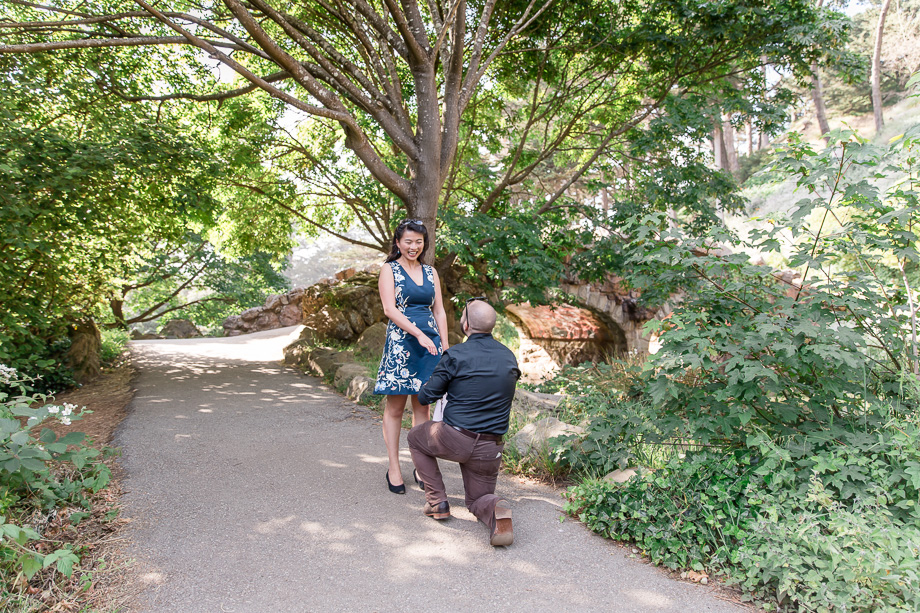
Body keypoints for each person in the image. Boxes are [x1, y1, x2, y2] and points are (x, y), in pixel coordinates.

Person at [407, 299, 521, 546]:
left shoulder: (456, 354)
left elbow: (426, 397)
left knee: (415, 437)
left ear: (466, 324)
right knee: (477, 500)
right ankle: (495, 508)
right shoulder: (509, 357)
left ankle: (437, 501)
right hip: (491, 446)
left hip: (454, 438)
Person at [374, 219, 449, 494]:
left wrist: (445, 347)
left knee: (423, 408)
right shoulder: (389, 269)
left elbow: (439, 310)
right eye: (408, 241)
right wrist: (418, 334)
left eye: (419, 242)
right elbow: (389, 309)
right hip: (401, 343)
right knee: (395, 408)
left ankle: (420, 465)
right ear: (398, 243)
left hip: (430, 345)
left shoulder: (431, 272)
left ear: (424, 244)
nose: (413, 246)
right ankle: (394, 467)